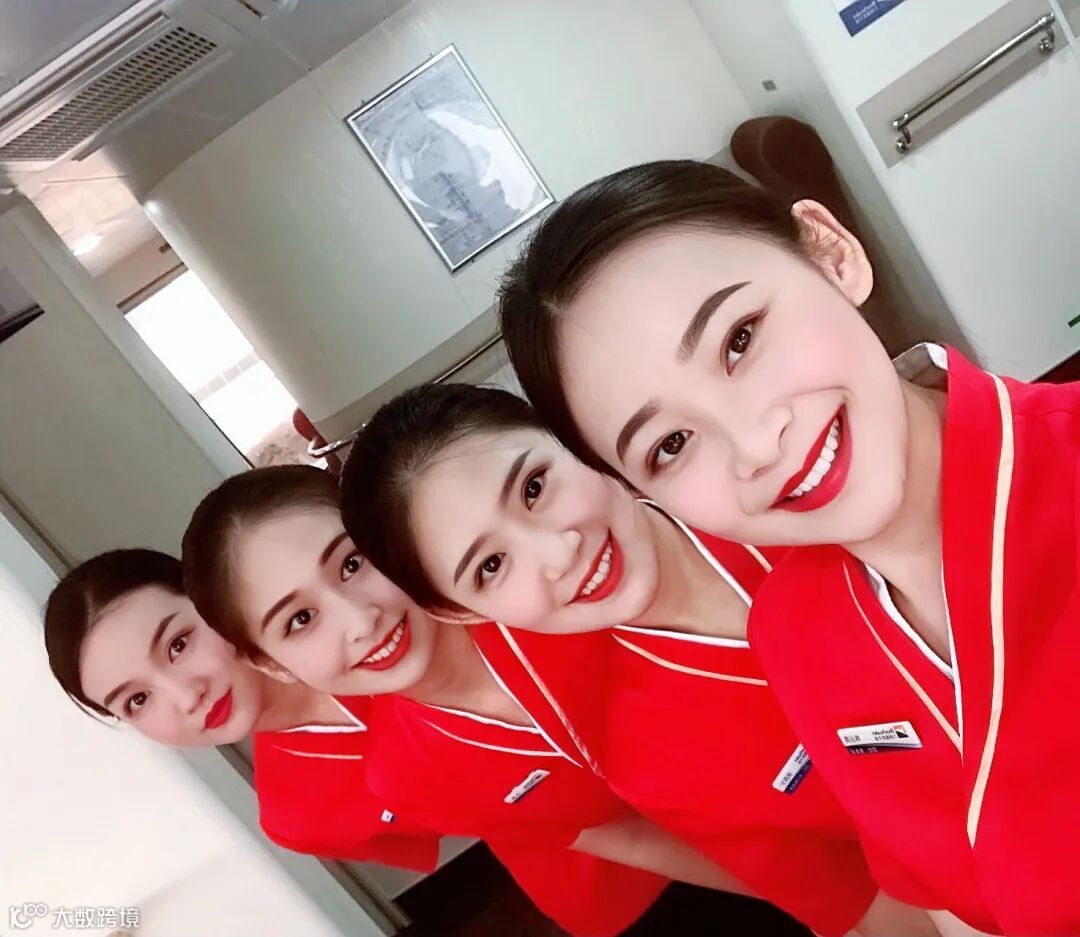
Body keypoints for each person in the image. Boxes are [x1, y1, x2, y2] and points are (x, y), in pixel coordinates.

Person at [496, 159, 1075, 935]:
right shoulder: (793, 631)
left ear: (831, 253)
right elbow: (941, 893)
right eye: (670, 444)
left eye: (739, 340)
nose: (754, 443)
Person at [340, 382, 939, 937]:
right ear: (459, 612)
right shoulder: (642, 756)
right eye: (491, 567)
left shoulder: (790, 475)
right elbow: (855, 903)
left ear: (569, 436)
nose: (559, 553)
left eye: (534, 488)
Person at [180, 465, 743, 936]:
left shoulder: (549, 591)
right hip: (660, 897)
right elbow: (616, 839)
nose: (360, 621)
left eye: (352, 563)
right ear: (271, 664)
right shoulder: (405, 774)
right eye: (301, 620)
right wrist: (776, 889)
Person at [43, 548, 439, 871]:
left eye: (178, 645)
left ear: (210, 600)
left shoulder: (384, 624)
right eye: (138, 701)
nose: (187, 697)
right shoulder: (294, 818)